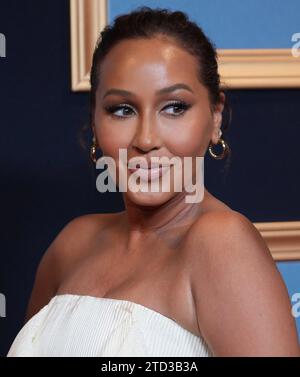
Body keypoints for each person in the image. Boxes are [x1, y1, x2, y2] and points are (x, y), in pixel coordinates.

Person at [7, 6, 300, 357]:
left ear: (215, 116)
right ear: (95, 119)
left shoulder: (222, 244)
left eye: (174, 107)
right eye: (122, 109)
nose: (145, 139)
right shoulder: (72, 243)